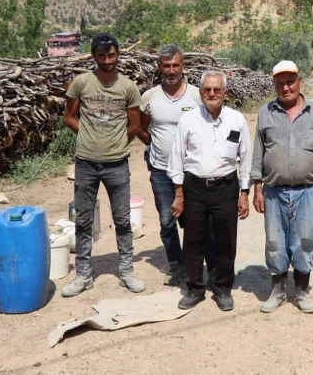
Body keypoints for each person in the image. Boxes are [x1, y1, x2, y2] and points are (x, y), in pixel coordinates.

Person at [61, 33, 145, 297]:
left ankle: (127, 271)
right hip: (86, 163)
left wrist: (116, 143)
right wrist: (88, 136)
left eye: (111, 55)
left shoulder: (128, 87)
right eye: (102, 55)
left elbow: (135, 126)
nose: (107, 60)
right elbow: (68, 117)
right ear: (94, 56)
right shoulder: (82, 83)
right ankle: (84, 275)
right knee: (83, 220)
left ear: (117, 55)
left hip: (117, 164)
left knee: (122, 219)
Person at [251, 60, 313, 314]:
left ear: (299, 81)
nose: (286, 88)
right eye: (280, 84)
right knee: (275, 241)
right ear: (274, 85)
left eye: (290, 82)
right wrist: (257, 187)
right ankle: (277, 292)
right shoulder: (265, 112)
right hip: (274, 191)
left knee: (306, 240)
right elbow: (258, 152)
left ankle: (300, 292)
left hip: (309, 190)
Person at [168, 71, 251, 312]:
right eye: (207, 89)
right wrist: (179, 194)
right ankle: (195, 287)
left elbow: (245, 157)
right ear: (201, 92)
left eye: (217, 90)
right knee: (194, 239)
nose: (211, 94)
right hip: (194, 187)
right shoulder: (189, 120)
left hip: (226, 187)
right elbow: (177, 158)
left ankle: (223, 288)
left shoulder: (237, 120)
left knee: (226, 240)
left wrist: (244, 192)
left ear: (225, 93)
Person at [138, 44, 217, 286]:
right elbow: (141, 127)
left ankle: (210, 267)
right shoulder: (150, 97)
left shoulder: (196, 95)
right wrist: (156, 145)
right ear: (159, 67)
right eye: (166, 66)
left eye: (175, 65)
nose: (171, 70)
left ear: (183, 66)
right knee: (166, 220)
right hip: (161, 170)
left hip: (192, 171)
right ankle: (177, 265)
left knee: (199, 220)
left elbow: (212, 123)